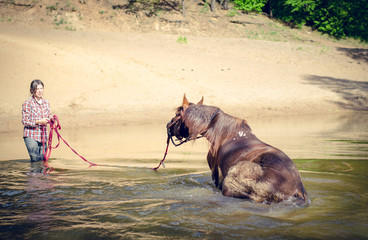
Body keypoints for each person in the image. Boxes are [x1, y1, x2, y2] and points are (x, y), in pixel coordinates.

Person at [22, 79, 53, 162]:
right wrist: (39, 122)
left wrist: (51, 119)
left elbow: (49, 115)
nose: (40, 91)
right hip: (31, 135)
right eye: (37, 89)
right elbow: (25, 121)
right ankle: (34, 174)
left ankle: (41, 175)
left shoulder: (46, 102)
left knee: (43, 160)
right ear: (32, 90)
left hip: (43, 136)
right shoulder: (28, 103)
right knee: (35, 159)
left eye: (41, 88)